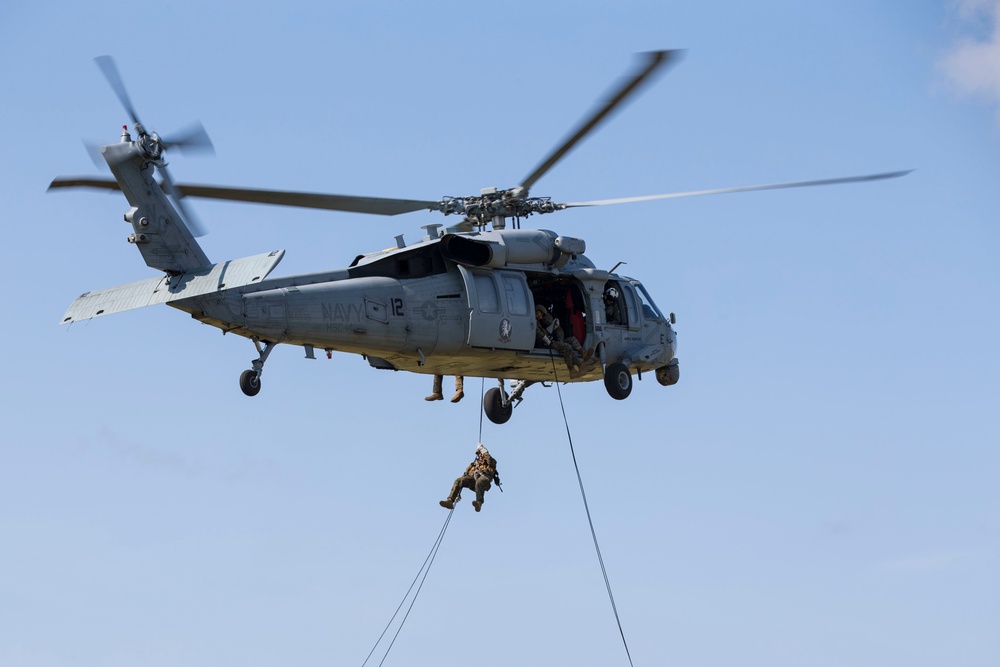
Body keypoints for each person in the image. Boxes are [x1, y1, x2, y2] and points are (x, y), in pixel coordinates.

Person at [440, 443, 500, 512]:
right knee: (459, 480)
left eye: (481, 453)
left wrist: (484, 451)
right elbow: (465, 476)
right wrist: (458, 492)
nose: (479, 455)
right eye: (478, 454)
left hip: (485, 481)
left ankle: (479, 503)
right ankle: (450, 501)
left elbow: (489, 460)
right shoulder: (473, 465)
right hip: (473, 482)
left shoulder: (491, 462)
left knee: (479, 481)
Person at [535, 304, 590, 377]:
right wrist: (548, 341)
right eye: (537, 313)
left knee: (571, 339)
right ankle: (572, 370)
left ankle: (582, 357)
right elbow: (539, 334)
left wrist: (560, 341)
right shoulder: (535, 323)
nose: (539, 315)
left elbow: (559, 330)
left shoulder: (549, 322)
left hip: (554, 341)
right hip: (547, 343)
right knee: (567, 347)